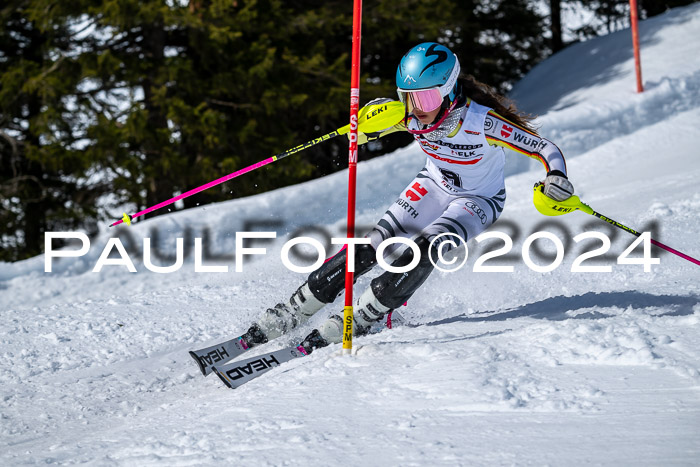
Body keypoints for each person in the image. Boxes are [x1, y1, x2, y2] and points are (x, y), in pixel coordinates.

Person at [240, 42, 575, 352]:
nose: (416, 109)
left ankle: (364, 316)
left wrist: (556, 175)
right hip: (433, 185)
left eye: (426, 99)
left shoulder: (482, 122)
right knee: (375, 243)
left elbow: (544, 148)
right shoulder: (410, 113)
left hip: (477, 199)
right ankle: (295, 309)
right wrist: (365, 125)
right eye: (407, 98)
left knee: (425, 247)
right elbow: (375, 124)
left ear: (448, 91)